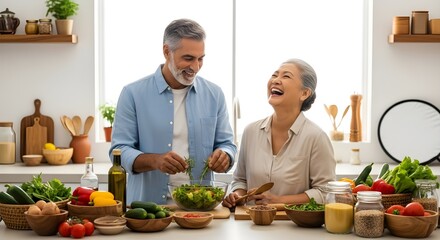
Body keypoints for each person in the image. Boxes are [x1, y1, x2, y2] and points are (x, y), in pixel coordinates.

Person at [110, 18, 237, 205]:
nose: (195, 67)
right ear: (166, 52)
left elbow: (227, 144)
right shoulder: (132, 94)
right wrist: (155, 161)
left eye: (200, 59)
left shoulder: (214, 94)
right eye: (188, 58)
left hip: (200, 209)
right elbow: (118, 152)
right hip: (148, 211)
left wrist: (226, 155)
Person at [222, 58, 336, 208]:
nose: (276, 80)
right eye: (274, 75)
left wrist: (278, 200)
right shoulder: (250, 132)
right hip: (251, 224)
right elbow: (240, 180)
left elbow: (325, 192)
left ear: (304, 93)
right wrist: (237, 195)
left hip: (293, 226)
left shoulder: (316, 137)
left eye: (286, 76)